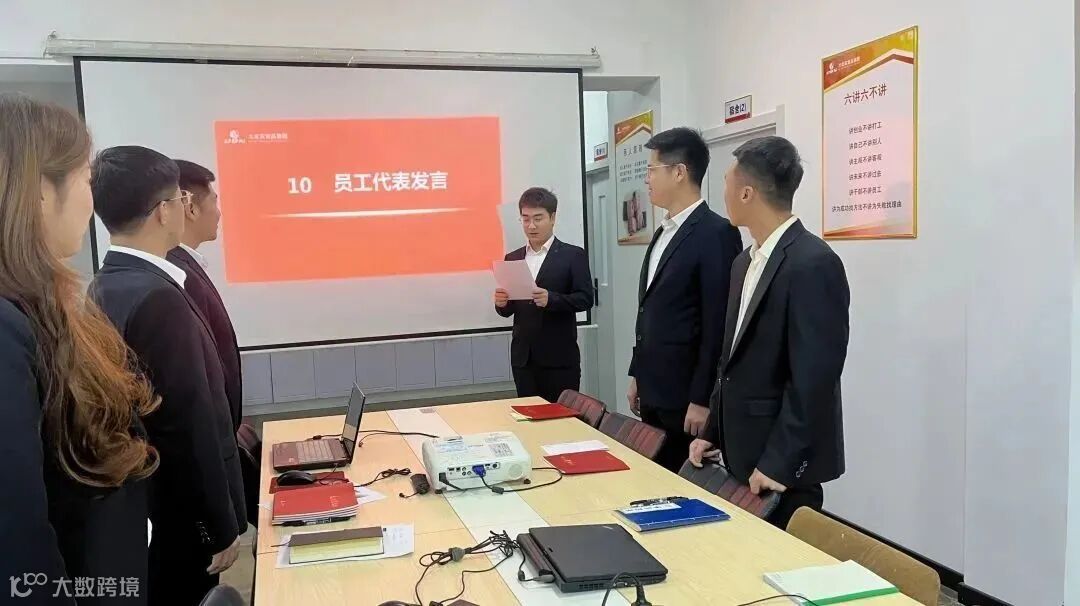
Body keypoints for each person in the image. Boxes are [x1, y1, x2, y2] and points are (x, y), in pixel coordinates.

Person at [0, 94, 159, 605]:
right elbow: (18, 547)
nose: (93, 203)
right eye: (86, 181)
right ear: (38, 194)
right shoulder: (6, 329)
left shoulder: (41, 308)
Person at [89, 146, 245, 606]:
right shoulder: (157, 298)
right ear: (163, 211)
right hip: (180, 513)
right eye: (180, 199)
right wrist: (216, 526)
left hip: (150, 502)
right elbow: (187, 422)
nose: (185, 207)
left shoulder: (107, 284)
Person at [689, 136, 849, 529]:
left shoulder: (813, 263)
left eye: (726, 184)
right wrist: (713, 433)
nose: (722, 194)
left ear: (746, 193)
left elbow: (815, 377)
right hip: (740, 453)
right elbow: (730, 360)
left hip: (780, 468)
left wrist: (779, 461)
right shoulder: (744, 262)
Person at [627, 127, 743, 473]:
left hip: (685, 398)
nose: (646, 178)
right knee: (652, 482)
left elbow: (716, 323)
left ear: (679, 172)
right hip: (653, 389)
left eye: (652, 169)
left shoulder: (716, 233)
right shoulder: (663, 231)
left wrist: (702, 398)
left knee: (682, 488)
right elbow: (650, 310)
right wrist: (637, 373)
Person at [495, 187, 593, 403]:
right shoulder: (513, 258)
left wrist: (552, 299)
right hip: (524, 359)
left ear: (553, 217)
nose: (531, 225)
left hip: (559, 359)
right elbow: (509, 310)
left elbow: (586, 299)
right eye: (526, 219)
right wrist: (501, 304)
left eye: (538, 218)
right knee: (528, 415)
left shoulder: (572, 255)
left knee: (562, 417)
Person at [166, 161, 241, 431]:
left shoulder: (185, 265)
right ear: (190, 208)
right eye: (214, 201)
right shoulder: (177, 275)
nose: (219, 213)